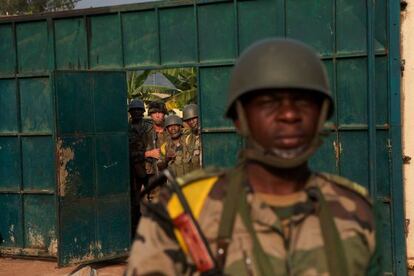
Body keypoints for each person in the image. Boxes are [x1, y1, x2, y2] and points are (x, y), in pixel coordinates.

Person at [126, 38, 380, 275]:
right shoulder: (184, 209)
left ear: (322, 116)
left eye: (303, 102)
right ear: (240, 118)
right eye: (268, 103)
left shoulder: (355, 210)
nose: (288, 115)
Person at [127, 98, 152, 235]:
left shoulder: (149, 127)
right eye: (133, 110)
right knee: (134, 201)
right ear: (130, 112)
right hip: (133, 169)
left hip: (149, 167)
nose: (136, 112)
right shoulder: (126, 129)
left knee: (153, 198)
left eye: (138, 110)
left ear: (143, 112)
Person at [144, 101, 169, 177]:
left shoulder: (171, 130)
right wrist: (149, 153)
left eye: (160, 112)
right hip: (151, 175)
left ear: (164, 114)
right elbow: (133, 154)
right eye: (154, 113)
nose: (157, 115)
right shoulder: (144, 133)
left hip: (170, 173)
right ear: (150, 115)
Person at [182, 104, 201, 171]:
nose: (191, 122)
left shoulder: (207, 134)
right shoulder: (188, 138)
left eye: (193, 118)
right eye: (188, 120)